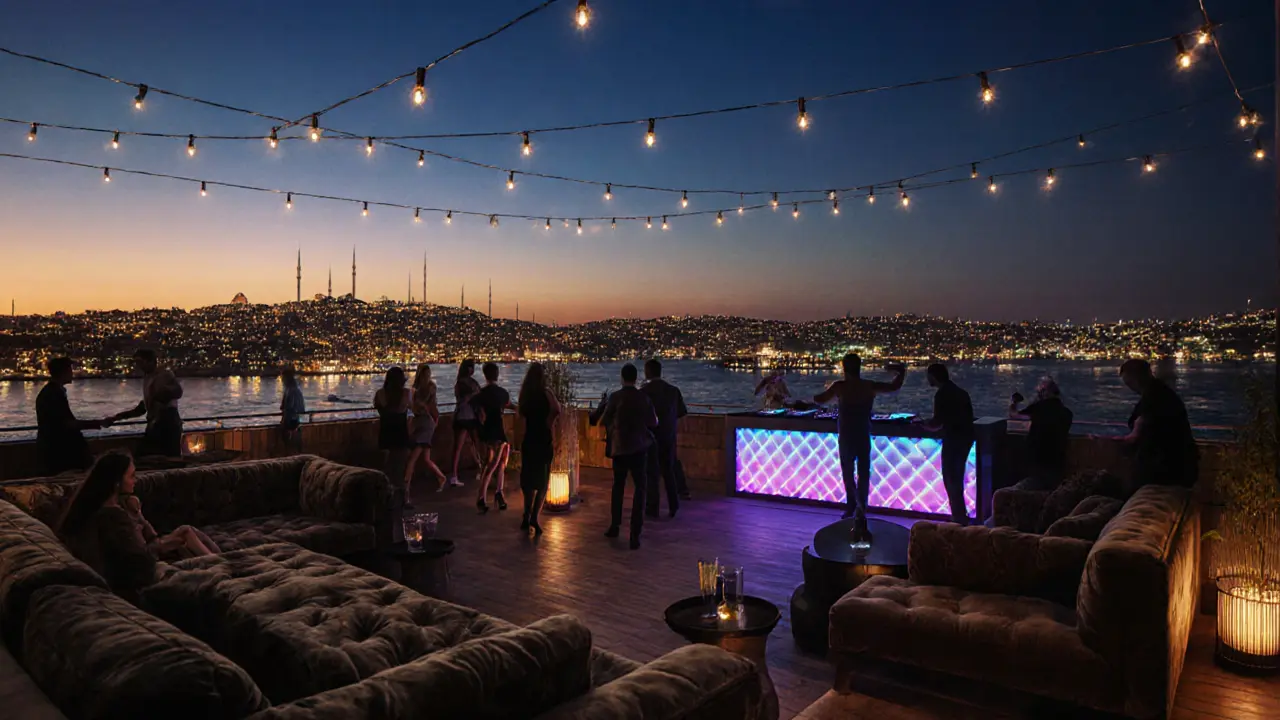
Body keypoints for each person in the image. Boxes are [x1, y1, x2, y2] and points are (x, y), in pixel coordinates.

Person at [813, 354, 905, 541]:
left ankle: (851, 506)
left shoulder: (840, 387)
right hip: (863, 433)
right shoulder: (868, 386)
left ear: (844, 367)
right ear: (859, 367)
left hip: (846, 435)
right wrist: (901, 373)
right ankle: (861, 507)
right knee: (864, 472)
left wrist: (809, 396)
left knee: (848, 472)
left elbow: (820, 400)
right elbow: (894, 387)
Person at [55, 452, 160, 601]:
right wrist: (150, 537)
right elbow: (144, 562)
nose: (135, 480)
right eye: (131, 476)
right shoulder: (113, 517)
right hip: (137, 589)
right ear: (117, 482)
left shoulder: (88, 510)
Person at [1109, 359, 1199, 492]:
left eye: (1129, 383)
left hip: (1165, 469)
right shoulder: (1162, 393)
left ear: (1136, 378)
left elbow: (1137, 433)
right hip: (1179, 466)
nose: (1130, 388)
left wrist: (1114, 442)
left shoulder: (1153, 398)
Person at [601, 363, 658, 550]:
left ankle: (615, 525)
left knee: (618, 486)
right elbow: (653, 421)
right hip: (639, 448)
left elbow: (605, 419)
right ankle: (635, 534)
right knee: (640, 489)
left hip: (620, 448)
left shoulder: (615, 397)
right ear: (636, 378)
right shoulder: (644, 398)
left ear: (622, 377)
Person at [918, 364, 975, 525]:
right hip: (966, 438)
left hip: (953, 439)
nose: (927, 379)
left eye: (928, 376)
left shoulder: (942, 394)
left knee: (951, 479)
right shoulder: (961, 392)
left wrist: (923, 425)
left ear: (934, 376)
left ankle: (958, 517)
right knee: (957, 478)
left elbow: (937, 423)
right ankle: (960, 516)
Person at [36, 357, 109, 474]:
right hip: (61, 450)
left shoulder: (50, 392)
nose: (72, 373)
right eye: (70, 370)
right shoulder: (54, 394)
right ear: (63, 372)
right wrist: (98, 423)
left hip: (54, 447)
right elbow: (66, 423)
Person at [109, 349, 184, 458]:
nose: (138, 366)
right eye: (136, 362)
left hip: (167, 425)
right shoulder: (148, 378)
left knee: (164, 458)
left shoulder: (164, 374)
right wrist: (117, 417)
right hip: (156, 424)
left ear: (151, 361)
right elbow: (145, 406)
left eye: (140, 362)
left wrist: (162, 395)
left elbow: (178, 392)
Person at [517, 362, 561, 536]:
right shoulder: (546, 393)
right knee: (543, 480)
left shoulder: (525, 395)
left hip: (529, 439)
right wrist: (549, 422)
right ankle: (535, 516)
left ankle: (526, 515)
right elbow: (556, 409)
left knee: (528, 480)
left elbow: (520, 419)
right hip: (543, 438)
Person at [641, 359, 689, 516]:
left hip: (651, 438)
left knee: (652, 474)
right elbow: (681, 412)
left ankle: (652, 508)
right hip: (668, 437)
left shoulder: (644, 392)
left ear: (647, 372)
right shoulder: (673, 391)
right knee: (668, 472)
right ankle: (673, 505)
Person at [1008, 376, 1073, 490]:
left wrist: (1013, 402)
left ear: (1043, 393)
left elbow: (1014, 415)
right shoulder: (1067, 414)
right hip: (1057, 464)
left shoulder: (1038, 408)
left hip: (1036, 463)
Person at [473, 362, 515, 513]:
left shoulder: (480, 394)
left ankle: (498, 493)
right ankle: (482, 497)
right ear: (497, 374)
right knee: (495, 464)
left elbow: (475, 409)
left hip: (487, 432)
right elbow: (508, 405)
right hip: (497, 431)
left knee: (496, 462)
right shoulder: (502, 393)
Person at [406, 364, 448, 495]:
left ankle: (405, 488)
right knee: (425, 458)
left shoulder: (421, 389)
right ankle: (441, 477)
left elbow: (426, 407)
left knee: (412, 459)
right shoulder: (421, 389)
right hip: (423, 423)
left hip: (425, 424)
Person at [374, 367, 413, 505]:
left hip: (386, 432)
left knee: (386, 467)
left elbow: (378, 407)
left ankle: (385, 497)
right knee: (401, 467)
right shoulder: (406, 393)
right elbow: (412, 408)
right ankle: (404, 498)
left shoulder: (380, 394)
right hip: (401, 433)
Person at [447, 359, 482, 487]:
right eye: (471, 367)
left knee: (462, 447)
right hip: (467, 416)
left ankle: (455, 475)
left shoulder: (461, 383)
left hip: (464, 416)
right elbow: (474, 396)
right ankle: (478, 469)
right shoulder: (467, 383)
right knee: (470, 445)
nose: (472, 369)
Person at [280, 366, 305, 454]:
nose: (282, 379)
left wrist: (284, 421)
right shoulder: (295, 389)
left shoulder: (290, 390)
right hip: (296, 420)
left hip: (291, 421)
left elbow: (287, 407)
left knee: (289, 443)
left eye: (282, 377)